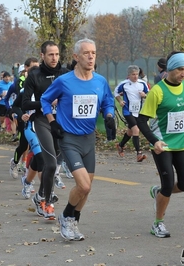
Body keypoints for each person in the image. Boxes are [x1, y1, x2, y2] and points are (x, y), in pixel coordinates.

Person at [41, 38, 115, 240]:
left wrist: (109, 116)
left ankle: (73, 222)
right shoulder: (64, 81)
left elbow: (108, 102)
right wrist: (52, 121)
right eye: (86, 53)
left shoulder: (100, 81)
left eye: (94, 53)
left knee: (86, 189)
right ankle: (65, 217)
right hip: (69, 139)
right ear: (76, 57)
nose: (91, 56)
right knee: (84, 185)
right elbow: (45, 99)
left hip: (89, 140)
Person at [137, 52, 184, 238]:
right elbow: (141, 121)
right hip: (162, 145)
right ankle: (158, 223)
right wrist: (154, 141)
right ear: (170, 69)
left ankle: (158, 192)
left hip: (182, 144)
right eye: (180, 69)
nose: (183, 73)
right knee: (168, 183)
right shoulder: (158, 91)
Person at [22, 40, 70, 220]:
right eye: (51, 54)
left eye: (57, 54)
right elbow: (25, 102)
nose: (54, 58)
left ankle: (39, 196)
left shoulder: (65, 73)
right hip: (42, 121)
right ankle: (48, 203)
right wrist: (46, 103)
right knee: (49, 163)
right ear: (42, 55)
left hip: (62, 123)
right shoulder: (34, 75)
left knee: (54, 166)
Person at [114, 65, 149, 162]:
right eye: (133, 74)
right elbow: (116, 92)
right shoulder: (124, 84)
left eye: (137, 74)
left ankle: (120, 145)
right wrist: (120, 101)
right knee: (136, 130)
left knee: (130, 132)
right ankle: (139, 153)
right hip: (127, 111)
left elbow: (148, 94)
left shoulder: (142, 83)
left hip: (138, 111)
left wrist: (144, 95)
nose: (135, 76)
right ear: (128, 75)